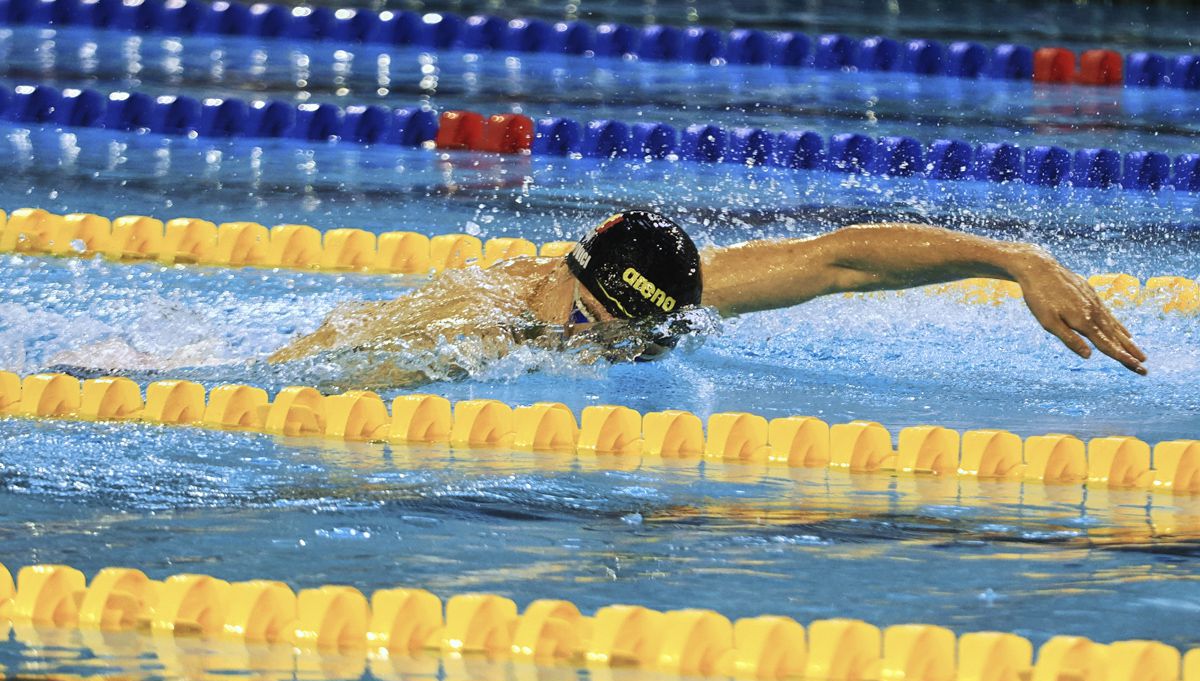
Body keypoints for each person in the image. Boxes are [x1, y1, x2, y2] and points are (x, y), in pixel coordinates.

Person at [269, 209, 1147, 377]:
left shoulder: (680, 294)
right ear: (564, 272)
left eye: (618, 333)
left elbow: (841, 260)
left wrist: (1016, 261)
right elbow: (314, 369)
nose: (584, 342)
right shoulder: (473, 319)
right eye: (580, 317)